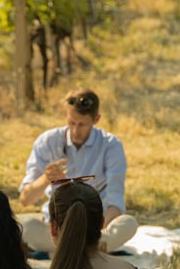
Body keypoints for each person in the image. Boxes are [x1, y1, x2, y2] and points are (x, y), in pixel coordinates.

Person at [18, 87, 137, 254]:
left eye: (82, 124)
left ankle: (78, 247)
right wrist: (46, 178)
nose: (75, 131)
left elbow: (115, 202)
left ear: (96, 119)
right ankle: (89, 250)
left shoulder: (111, 145)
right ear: (65, 116)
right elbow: (25, 199)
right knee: (26, 227)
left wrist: (95, 232)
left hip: (96, 226)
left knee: (128, 223)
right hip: (58, 228)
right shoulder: (47, 142)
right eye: (71, 123)